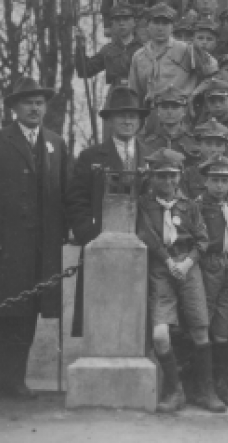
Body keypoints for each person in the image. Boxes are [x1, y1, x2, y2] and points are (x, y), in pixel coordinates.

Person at [0, 76, 67, 401]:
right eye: (28, 102)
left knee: (27, 314)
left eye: (40, 102)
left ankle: (16, 381)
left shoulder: (56, 143)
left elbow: (63, 191)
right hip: (4, 244)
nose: (35, 108)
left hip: (42, 247)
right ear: (15, 107)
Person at [136, 148, 223, 413]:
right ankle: (175, 390)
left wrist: (187, 262)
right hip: (162, 269)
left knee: (199, 329)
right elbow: (147, 235)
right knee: (160, 334)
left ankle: (206, 390)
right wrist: (168, 261)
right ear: (151, 178)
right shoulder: (144, 206)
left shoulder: (190, 206)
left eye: (172, 176)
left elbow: (202, 239)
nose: (167, 182)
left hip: (188, 267)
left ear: (180, 176)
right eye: (161, 176)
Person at [65, 86, 148, 336]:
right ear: (110, 120)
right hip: (101, 245)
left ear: (140, 121)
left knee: (138, 316)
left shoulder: (151, 157)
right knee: (101, 312)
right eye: (121, 115)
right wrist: (88, 234)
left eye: (132, 116)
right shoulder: (91, 157)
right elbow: (76, 200)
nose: (127, 121)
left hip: (144, 245)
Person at [197, 155, 228, 406]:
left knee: (224, 323)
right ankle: (204, 386)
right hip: (209, 263)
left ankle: (222, 384)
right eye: (214, 180)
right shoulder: (198, 207)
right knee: (204, 318)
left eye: (225, 181)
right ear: (205, 181)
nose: (219, 186)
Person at [129, 3, 218, 117]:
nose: (160, 28)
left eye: (165, 23)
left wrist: (193, 95)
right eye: (156, 23)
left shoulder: (186, 49)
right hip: (151, 114)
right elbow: (135, 94)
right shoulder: (139, 56)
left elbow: (212, 73)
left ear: (172, 27)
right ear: (148, 26)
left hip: (180, 113)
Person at [74, 2, 144, 99]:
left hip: (138, 97)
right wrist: (80, 47)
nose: (121, 23)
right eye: (117, 20)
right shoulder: (108, 50)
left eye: (126, 19)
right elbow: (85, 71)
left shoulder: (144, 49)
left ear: (134, 22)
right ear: (113, 24)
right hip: (115, 98)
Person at [142, 86, 201, 165]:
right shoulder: (147, 143)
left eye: (175, 107)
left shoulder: (194, 142)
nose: (169, 112)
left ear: (184, 111)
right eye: (164, 107)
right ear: (158, 111)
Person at [181, 118, 228, 200]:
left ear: (225, 148)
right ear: (199, 146)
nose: (213, 149)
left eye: (218, 145)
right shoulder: (189, 173)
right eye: (208, 144)